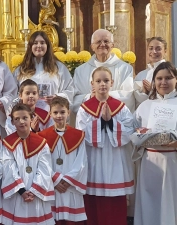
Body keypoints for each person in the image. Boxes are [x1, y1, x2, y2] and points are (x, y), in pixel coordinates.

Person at [75, 66, 134, 225]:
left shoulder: (121, 107)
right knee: (94, 203)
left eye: (106, 80)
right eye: (98, 81)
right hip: (94, 161)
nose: (102, 84)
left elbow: (130, 131)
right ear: (92, 84)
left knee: (115, 205)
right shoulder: (85, 108)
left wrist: (110, 121)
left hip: (115, 161)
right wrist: (101, 121)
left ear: (112, 83)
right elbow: (81, 134)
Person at [131, 61, 177, 225]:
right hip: (149, 162)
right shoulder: (145, 105)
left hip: (172, 163)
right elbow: (133, 128)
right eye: (159, 78)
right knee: (149, 204)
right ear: (153, 81)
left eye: (168, 78)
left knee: (170, 204)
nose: (163, 82)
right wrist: (139, 135)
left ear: (176, 80)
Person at [2, 103, 55, 225]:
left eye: (25, 118)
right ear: (12, 122)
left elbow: (45, 169)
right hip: (17, 195)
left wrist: (34, 190)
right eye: (17, 119)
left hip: (36, 195)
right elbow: (8, 167)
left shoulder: (42, 143)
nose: (21, 122)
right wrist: (21, 190)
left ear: (31, 119)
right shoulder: (7, 144)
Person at [38, 96, 87, 225]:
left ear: (68, 113)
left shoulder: (78, 136)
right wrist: (56, 179)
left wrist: (67, 181)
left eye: (62, 112)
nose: (59, 115)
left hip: (70, 187)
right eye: (55, 112)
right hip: (53, 186)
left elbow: (81, 162)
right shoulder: (43, 136)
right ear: (50, 114)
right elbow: (42, 162)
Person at [72, 29, 134, 124]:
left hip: (116, 121)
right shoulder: (80, 71)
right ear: (92, 46)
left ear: (112, 45)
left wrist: (101, 96)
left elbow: (128, 95)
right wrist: (89, 97)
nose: (102, 44)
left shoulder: (125, 68)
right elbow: (75, 98)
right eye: (98, 42)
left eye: (106, 41)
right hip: (90, 122)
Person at [13, 31, 74, 110]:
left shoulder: (59, 68)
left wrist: (57, 97)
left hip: (52, 115)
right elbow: (13, 93)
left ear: (47, 46)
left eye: (42, 43)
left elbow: (70, 90)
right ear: (30, 46)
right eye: (35, 43)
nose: (39, 46)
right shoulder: (21, 70)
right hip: (27, 116)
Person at [134, 37, 167, 105]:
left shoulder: (172, 72)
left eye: (158, 49)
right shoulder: (141, 74)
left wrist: (153, 90)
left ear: (165, 51)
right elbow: (136, 101)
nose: (154, 52)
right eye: (151, 48)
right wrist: (144, 92)